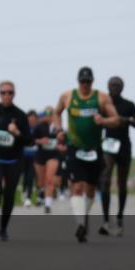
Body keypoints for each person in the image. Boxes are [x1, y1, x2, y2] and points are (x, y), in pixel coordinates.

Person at [52, 67, 121, 243]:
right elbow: (56, 112)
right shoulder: (67, 96)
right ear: (78, 81)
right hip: (74, 147)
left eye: (88, 82)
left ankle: (83, 218)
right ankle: (81, 224)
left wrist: (103, 120)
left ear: (92, 82)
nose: (85, 85)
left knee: (90, 189)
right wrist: (59, 129)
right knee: (76, 187)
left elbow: (116, 119)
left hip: (94, 149)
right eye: (82, 82)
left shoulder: (101, 97)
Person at [0, 81, 32, 241]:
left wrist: (17, 133)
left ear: (14, 94)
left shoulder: (20, 115)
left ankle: (3, 228)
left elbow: (29, 141)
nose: (6, 95)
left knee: (9, 195)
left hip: (14, 159)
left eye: (10, 92)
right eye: (3, 92)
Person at [98, 76, 135, 236]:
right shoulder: (103, 104)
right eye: (112, 85)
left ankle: (119, 216)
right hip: (108, 146)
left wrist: (128, 120)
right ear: (108, 86)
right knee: (105, 179)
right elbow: (96, 122)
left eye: (118, 85)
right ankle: (105, 219)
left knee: (121, 183)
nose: (115, 87)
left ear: (122, 87)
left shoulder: (129, 105)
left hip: (124, 147)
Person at [33, 107, 66, 213]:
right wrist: (39, 141)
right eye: (46, 113)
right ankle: (41, 191)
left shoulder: (58, 128)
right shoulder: (39, 127)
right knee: (41, 181)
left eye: (51, 114)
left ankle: (47, 204)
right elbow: (31, 140)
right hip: (41, 156)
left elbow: (64, 142)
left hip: (53, 156)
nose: (49, 116)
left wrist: (61, 145)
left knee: (49, 179)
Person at [21, 110, 39, 207]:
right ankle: (24, 194)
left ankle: (28, 197)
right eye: (30, 120)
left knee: (30, 177)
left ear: (36, 120)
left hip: (34, 157)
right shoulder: (24, 129)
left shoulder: (38, 129)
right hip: (23, 156)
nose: (31, 122)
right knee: (24, 177)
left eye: (33, 120)